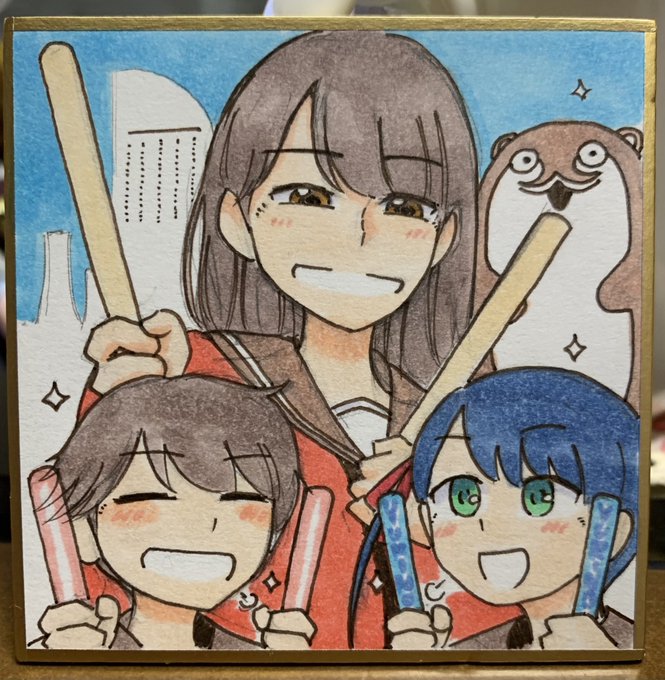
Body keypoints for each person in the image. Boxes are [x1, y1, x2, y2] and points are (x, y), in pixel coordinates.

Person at [80, 30, 502, 648]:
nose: (360, 237)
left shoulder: (454, 417)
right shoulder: (192, 376)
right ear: (236, 219)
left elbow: (510, 585)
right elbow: (98, 568)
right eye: (308, 196)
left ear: (446, 237)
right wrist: (121, 404)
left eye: (406, 206)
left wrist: (438, 502)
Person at [34, 375, 310, 650]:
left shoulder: (252, 655)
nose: (204, 525)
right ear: (84, 531)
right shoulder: (81, 648)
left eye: (240, 500)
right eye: (151, 497)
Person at [388, 368, 639, 650]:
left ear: (615, 530)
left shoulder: (634, 646)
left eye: (540, 498)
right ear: (426, 519)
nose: (494, 525)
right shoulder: (476, 650)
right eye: (463, 496)